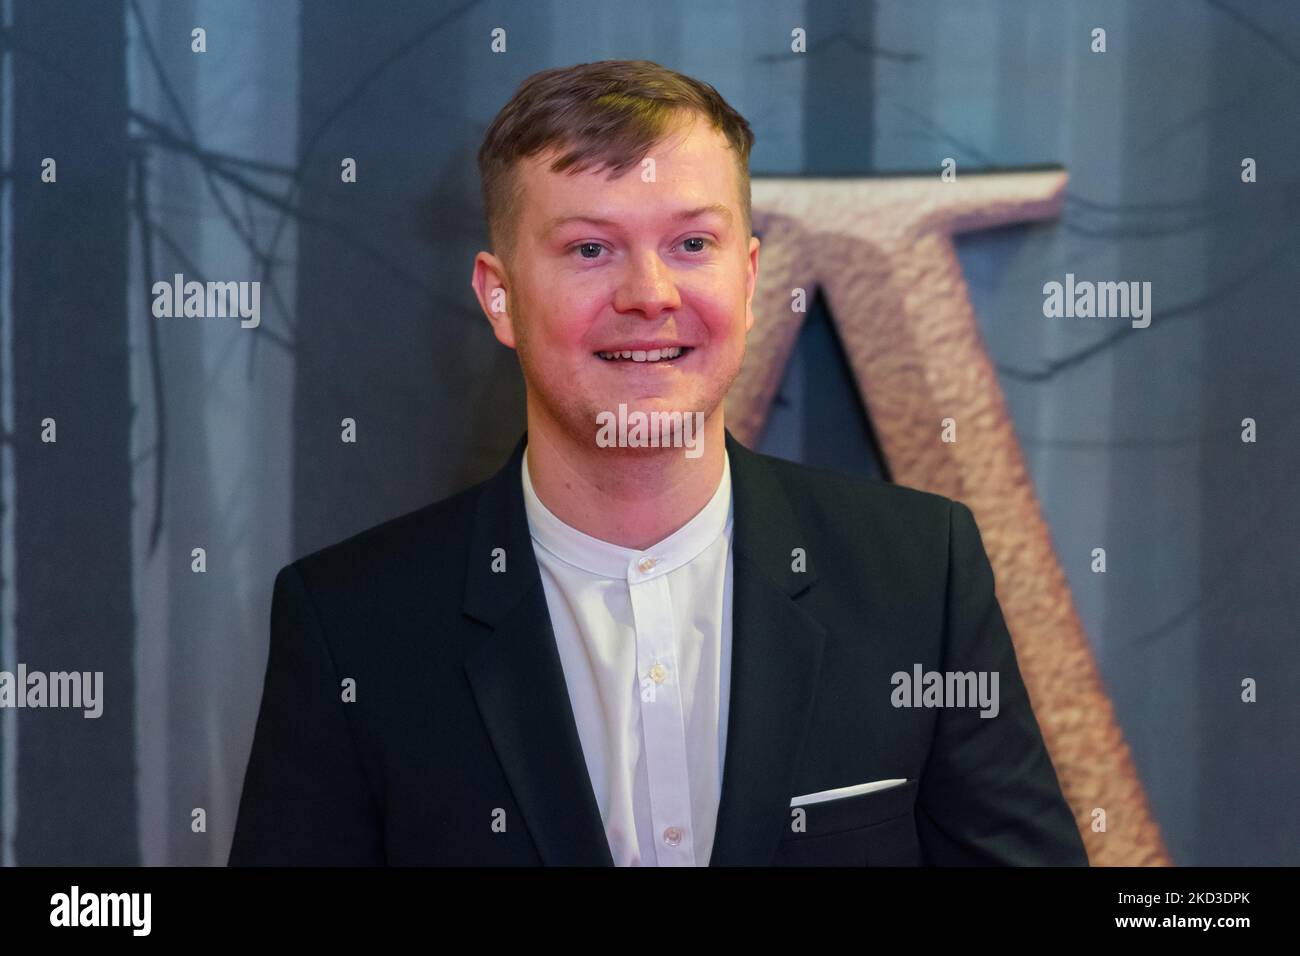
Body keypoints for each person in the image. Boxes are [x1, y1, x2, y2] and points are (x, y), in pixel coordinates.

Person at [229, 59, 1087, 867]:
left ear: (749, 281)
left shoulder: (919, 575)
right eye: (590, 249)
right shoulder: (350, 624)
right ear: (500, 297)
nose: (650, 295)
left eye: (691, 244)